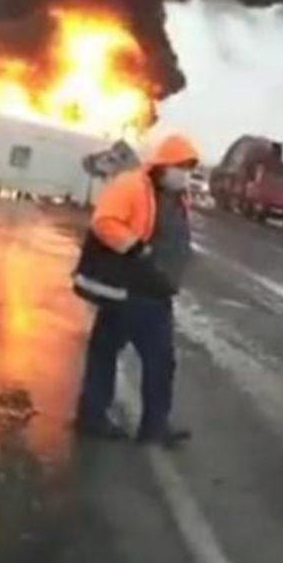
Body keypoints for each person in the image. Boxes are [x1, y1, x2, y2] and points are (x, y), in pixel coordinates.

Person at [73, 134, 200, 447]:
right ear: (163, 166)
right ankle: (108, 421)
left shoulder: (178, 196)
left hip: (155, 292)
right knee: (126, 357)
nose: (185, 174)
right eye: (181, 167)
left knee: (142, 359)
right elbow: (105, 222)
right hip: (131, 290)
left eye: (189, 169)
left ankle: (135, 424)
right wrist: (135, 248)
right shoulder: (132, 186)